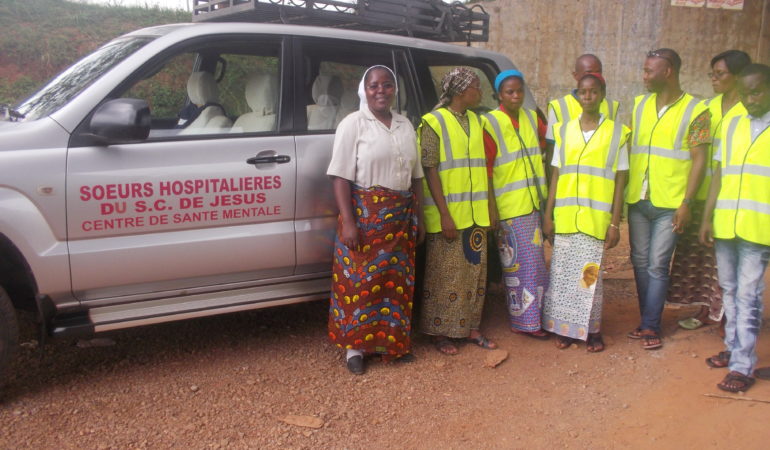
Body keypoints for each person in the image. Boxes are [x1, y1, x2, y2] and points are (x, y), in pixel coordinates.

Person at [326, 65, 425, 375]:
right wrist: (349, 222)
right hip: (365, 218)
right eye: (374, 86)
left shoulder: (405, 124)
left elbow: (417, 176)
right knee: (359, 283)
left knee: (394, 285)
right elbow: (340, 177)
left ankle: (392, 344)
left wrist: (418, 217)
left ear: (395, 89)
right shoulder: (353, 125)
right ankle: (355, 348)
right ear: (364, 90)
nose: (381, 90)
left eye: (387, 85)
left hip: (400, 218)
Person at [626, 49, 709, 350]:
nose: (644, 76)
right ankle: (646, 319)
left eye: (650, 71)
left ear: (669, 71)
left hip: (670, 203)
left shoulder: (696, 110)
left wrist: (687, 202)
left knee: (658, 264)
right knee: (639, 261)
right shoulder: (639, 104)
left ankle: (650, 326)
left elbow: (700, 159)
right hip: (638, 197)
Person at [542, 73, 630, 352]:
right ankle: (567, 329)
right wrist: (548, 214)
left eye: (593, 92)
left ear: (603, 94)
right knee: (565, 276)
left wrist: (615, 223)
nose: (588, 97)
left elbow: (620, 181)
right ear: (577, 95)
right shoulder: (564, 130)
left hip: (595, 219)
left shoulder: (617, 132)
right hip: (566, 217)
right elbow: (556, 174)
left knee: (589, 276)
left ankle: (592, 330)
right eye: (583, 92)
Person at [699, 63, 770, 393]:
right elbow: (719, 173)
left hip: (760, 227)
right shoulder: (732, 123)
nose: (749, 99)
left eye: (756, 92)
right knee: (728, 290)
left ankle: (743, 365)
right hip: (727, 222)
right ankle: (732, 348)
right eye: (744, 93)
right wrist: (707, 216)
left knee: (748, 295)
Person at [670, 50, 751, 331]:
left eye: (720, 74)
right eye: (712, 74)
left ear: (738, 76)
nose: (714, 79)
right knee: (701, 259)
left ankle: (728, 315)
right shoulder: (706, 107)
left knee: (728, 259)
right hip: (703, 192)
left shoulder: (750, 109)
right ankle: (707, 309)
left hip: (733, 197)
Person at [419, 67, 497, 355]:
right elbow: (429, 170)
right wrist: (444, 214)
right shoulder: (433, 122)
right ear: (463, 91)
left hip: (475, 213)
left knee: (475, 274)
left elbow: (482, 167)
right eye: (477, 86)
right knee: (445, 276)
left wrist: (489, 206)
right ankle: (440, 332)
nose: (481, 92)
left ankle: (471, 327)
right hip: (449, 216)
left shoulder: (478, 121)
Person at [481, 70, 550, 339]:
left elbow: (546, 146)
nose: (516, 96)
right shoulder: (491, 122)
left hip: (533, 202)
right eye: (510, 92)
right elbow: (486, 169)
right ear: (499, 95)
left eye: (519, 91)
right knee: (519, 269)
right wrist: (492, 207)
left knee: (535, 265)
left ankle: (537, 317)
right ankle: (525, 322)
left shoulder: (532, 118)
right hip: (510, 207)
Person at [545, 54, 620, 178]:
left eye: (598, 72)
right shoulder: (559, 107)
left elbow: (617, 151)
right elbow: (551, 152)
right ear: (575, 76)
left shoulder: (612, 107)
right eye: (588, 72)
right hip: (569, 184)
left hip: (600, 183)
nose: (594, 76)